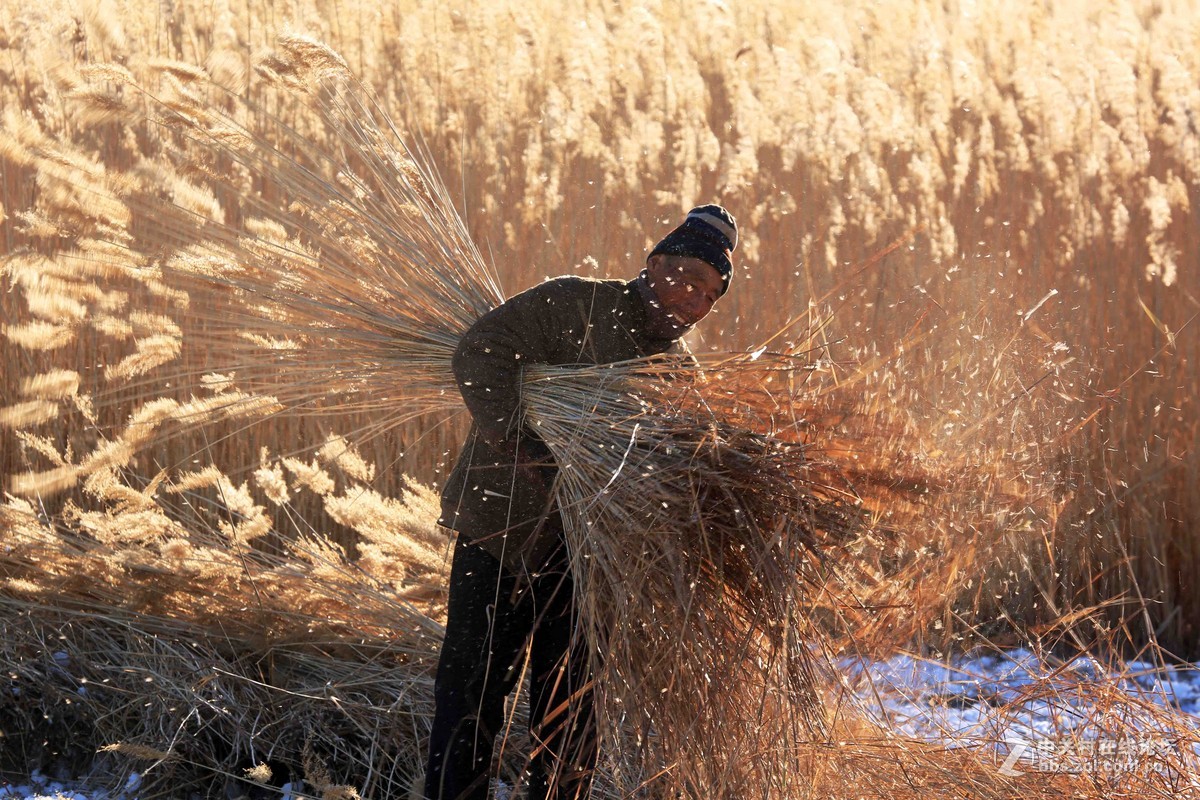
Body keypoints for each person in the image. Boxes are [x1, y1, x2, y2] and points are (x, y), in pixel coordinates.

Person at [425, 205, 738, 800]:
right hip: (500, 529)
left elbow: (673, 473)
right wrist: (522, 443)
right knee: (470, 695)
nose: (692, 300)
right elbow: (480, 352)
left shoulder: (675, 375)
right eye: (687, 277)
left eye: (709, 295)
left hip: (586, 562)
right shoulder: (572, 304)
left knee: (570, 713)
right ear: (653, 263)